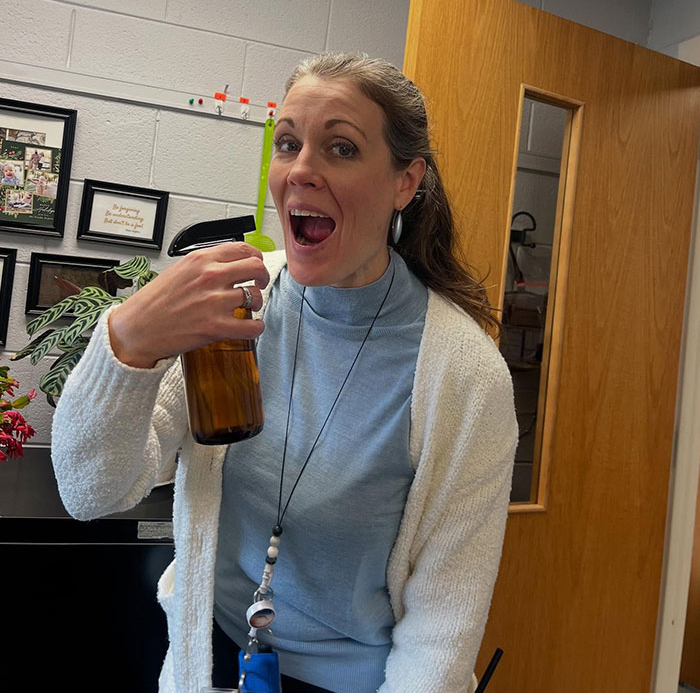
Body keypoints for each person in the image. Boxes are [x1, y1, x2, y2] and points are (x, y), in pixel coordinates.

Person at [51, 53, 518, 693]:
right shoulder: (234, 306)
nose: (300, 171)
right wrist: (127, 341)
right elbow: (91, 491)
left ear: (405, 182)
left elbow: (443, 625)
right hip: (206, 658)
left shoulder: (465, 377)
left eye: (341, 148)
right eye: (289, 143)